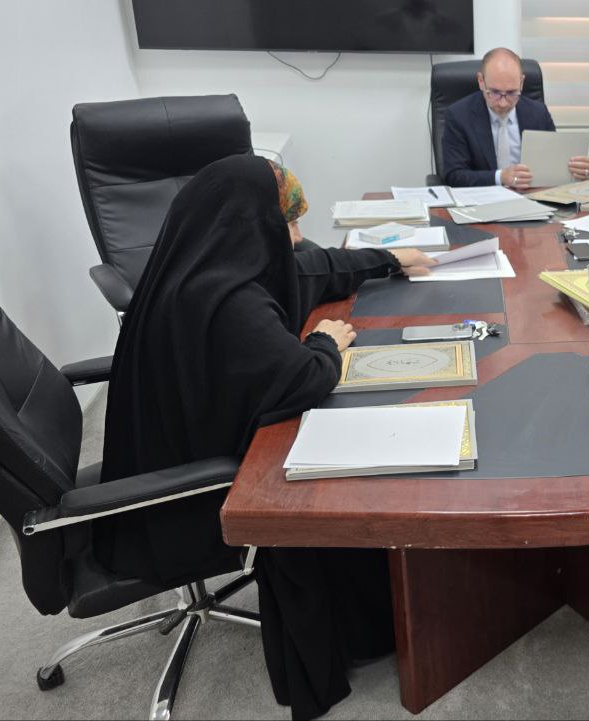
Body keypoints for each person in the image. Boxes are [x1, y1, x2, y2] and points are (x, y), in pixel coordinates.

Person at [96, 154, 435, 720]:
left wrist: (389, 259)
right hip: (181, 501)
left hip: (160, 454)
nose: (297, 237)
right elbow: (304, 378)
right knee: (335, 467)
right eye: (288, 223)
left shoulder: (200, 263)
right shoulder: (227, 302)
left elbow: (313, 268)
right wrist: (325, 342)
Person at [442, 46, 589, 189]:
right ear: (481, 81)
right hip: (484, 201)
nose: (503, 103)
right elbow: (454, 175)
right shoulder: (459, 115)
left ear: (521, 83)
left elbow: (553, 165)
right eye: (494, 93)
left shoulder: (538, 113)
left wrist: (580, 172)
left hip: (532, 197)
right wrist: (501, 177)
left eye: (511, 93)